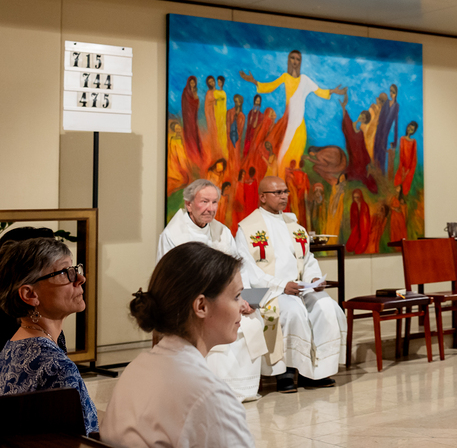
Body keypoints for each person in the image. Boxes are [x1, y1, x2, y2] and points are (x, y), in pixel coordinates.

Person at [102, 242, 257, 447]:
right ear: (201, 306)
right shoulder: (210, 396)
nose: (243, 305)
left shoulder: (135, 368)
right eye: (236, 296)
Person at [158, 180, 284, 402]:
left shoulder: (222, 232)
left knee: (251, 320)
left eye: (214, 202)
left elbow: (238, 271)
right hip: (191, 303)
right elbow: (170, 279)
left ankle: (242, 389)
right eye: (204, 202)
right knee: (216, 322)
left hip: (223, 300)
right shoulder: (173, 234)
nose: (210, 208)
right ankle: (209, 389)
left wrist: (241, 297)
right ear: (189, 204)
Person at [238, 176, 348, 393]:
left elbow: (307, 259)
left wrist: (314, 279)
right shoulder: (247, 228)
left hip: (299, 288)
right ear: (262, 197)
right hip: (269, 292)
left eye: (285, 191)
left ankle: (315, 371)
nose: (283, 196)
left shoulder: (294, 226)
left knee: (327, 307)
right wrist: (282, 286)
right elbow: (249, 270)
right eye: (277, 192)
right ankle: (285, 372)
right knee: (292, 311)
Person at [0, 238, 98, 435]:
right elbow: (80, 442)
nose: (80, 278)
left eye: (74, 269)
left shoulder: (10, 347)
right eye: (65, 272)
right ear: (29, 295)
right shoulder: (57, 367)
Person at [240, 49, 346, 178]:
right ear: (289, 60)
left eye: (297, 59)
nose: (295, 61)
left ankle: (293, 185)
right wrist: (254, 81)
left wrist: (333, 91)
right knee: (282, 153)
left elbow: (319, 91)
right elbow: (270, 86)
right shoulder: (286, 77)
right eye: (292, 58)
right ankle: (280, 180)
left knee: (296, 155)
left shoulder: (305, 80)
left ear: (300, 62)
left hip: (299, 125)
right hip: (288, 122)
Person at [394, 121, 419, 196]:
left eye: (412, 129)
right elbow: (401, 154)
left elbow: (414, 158)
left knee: (406, 184)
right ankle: (397, 198)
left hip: (410, 167)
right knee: (398, 181)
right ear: (407, 127)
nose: (409, 130)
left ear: (414, 131)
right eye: (409, 127)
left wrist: (409, 170)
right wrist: (402, 167)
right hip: (402, 166)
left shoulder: (414, 142)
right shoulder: (402, 139)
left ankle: (402, 198)